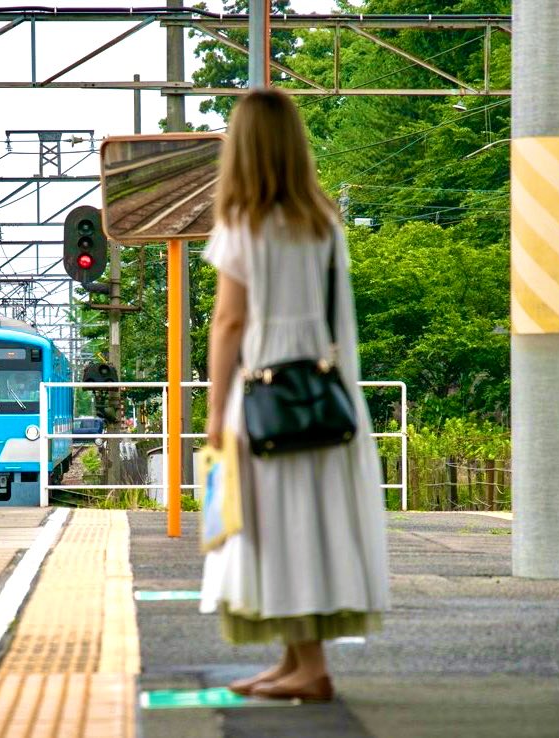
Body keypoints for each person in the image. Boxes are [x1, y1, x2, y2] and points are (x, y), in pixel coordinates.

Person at [200, 89, 389, 702]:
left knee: (277, 529)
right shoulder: (323, 222)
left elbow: (230, 321)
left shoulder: (244, 224)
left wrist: (212, 411)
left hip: (265, 402)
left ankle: (308, 669)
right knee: (311, 525)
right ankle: (295, 660)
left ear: (243, 149)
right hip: (327, 401)